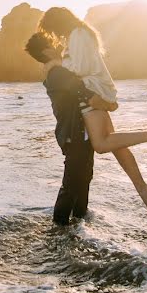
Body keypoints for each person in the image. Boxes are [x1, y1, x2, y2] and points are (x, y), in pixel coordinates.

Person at [38, 7, 147, 215]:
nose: (55, 35)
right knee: (116, 144)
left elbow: (80, 68)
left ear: (59, 23)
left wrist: (57, 63)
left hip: (93, 89)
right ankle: (142, 187)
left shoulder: (78, 34)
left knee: (100, 144)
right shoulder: (79, 34)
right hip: (97, 88)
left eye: (53, 29)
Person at [25, 32, 112, 225]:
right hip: (74, 134)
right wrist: (111, 104)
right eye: (53, 42)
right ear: (47, 50)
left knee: (84, 177)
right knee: (72, 183)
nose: (60, 44)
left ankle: (79, 223)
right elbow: (85, 91)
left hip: (81, 132)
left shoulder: (57, 71)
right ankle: (59, 229)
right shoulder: (58, 74)